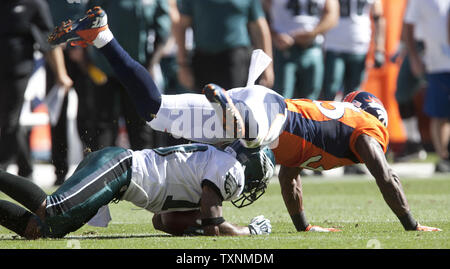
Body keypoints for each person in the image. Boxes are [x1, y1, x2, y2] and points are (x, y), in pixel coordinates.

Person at [48, 7, 440, 233]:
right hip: (266, 114)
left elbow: (290, 178)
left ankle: (104, 36)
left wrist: (303, 227)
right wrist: (411, 224)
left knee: (154, 110)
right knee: (254, 142)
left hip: (254, 105)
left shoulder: (333, 132)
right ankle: (233, 118)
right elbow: (386, 175)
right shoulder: (364, 128)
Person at [0, 138, 274, 239]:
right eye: (258, 179)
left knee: (43, 229)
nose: (253, 188)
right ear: (250, 167)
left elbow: (164, 221)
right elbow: (216, 225)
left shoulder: (216, 169)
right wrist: (247, 230)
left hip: (119, 176)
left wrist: (198, 224)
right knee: (53, 210)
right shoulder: (230, 169)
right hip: (120, 167)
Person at [84, 0, 171, 150]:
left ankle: (142, 173)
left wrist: (151, 64)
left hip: (137, 71)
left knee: (140, 127)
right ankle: (104, 170)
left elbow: (162, 30)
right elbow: (88, 20)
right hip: (105, 71)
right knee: (103, 127)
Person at [0, 0, 72, 178]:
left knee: (10, 119)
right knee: (10, 121)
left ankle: (4, 169)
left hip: (19, 71)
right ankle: (25, 168)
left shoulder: (35, 5)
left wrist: (61, 73)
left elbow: (49, 41)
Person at [175, 0, 274, 92]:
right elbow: (181, 25)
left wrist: (267, 67)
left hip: (236, 60)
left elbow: (259, 27)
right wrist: (183, 64)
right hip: (203, 59)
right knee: (204, 107)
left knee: (234, 106)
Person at [403, 0, 450, 173]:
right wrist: (414, 56)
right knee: (440, 113)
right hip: (438, 62)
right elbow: (408, 25)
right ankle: (443, 156)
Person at [263, 0, 339, 99]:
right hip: (284, 49)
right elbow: (259, 13)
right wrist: (275, 35)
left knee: (310, 101)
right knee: (281, 99)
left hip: (312, 48)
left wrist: (312, 33)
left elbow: (332, 16)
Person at [321, 0, 386, 101]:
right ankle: (330, 117)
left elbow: (378, 17)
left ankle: (350, 117)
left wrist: (379, 47)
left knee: (354, 95)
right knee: (331, 90)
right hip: (334, 45)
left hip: (359, 46)